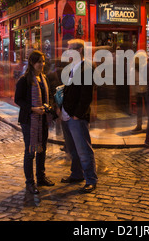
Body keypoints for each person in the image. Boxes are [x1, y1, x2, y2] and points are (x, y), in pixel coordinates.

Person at [15, 50, 55, 194]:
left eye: (43, 61)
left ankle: (41, 177)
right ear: (32, 63)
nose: (42, 64)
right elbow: (18, 99)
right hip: (29, 120)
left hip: (42, 119)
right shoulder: (24, 80)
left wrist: (48, 106)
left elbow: (48, 95)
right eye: (39, 62)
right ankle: (30, 182)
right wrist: (32, 109)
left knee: (42, 149)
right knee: (30, 151)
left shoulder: (44, 78)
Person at [60, 39, 97, 193]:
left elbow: (86, 95)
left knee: (83, 149)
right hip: (66, 115)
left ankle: (91, 179)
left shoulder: (87, 67)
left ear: (80, 50)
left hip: (76, 116)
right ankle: (76, 174)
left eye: (70, 49)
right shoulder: (72, 67)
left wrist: (77, 114)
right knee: (73, 149)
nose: (68, 52)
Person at [130, 51, 148, 133]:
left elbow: (132, 83)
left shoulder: (133, 69)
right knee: (148, 108)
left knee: (140, 109)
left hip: (138, 91)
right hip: (146, 90)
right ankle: (148, 125)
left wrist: (133, 93)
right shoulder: (146, 68)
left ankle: (139, 125)